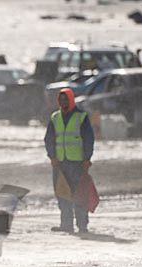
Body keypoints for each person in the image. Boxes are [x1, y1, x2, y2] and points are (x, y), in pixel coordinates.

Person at [44, 88, 95, 234]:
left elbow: (88, 140)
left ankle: (82, 225)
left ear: (71, 100)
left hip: (77, 163)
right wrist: (52, 157)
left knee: (80, 195)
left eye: (66, 99)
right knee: (62, 195)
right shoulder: (55, 117)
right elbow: (49, 139)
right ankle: (66, 224)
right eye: (61, 99)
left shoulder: (82, 117)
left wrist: (87, 159)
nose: (63, 102)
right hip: (60, 164)